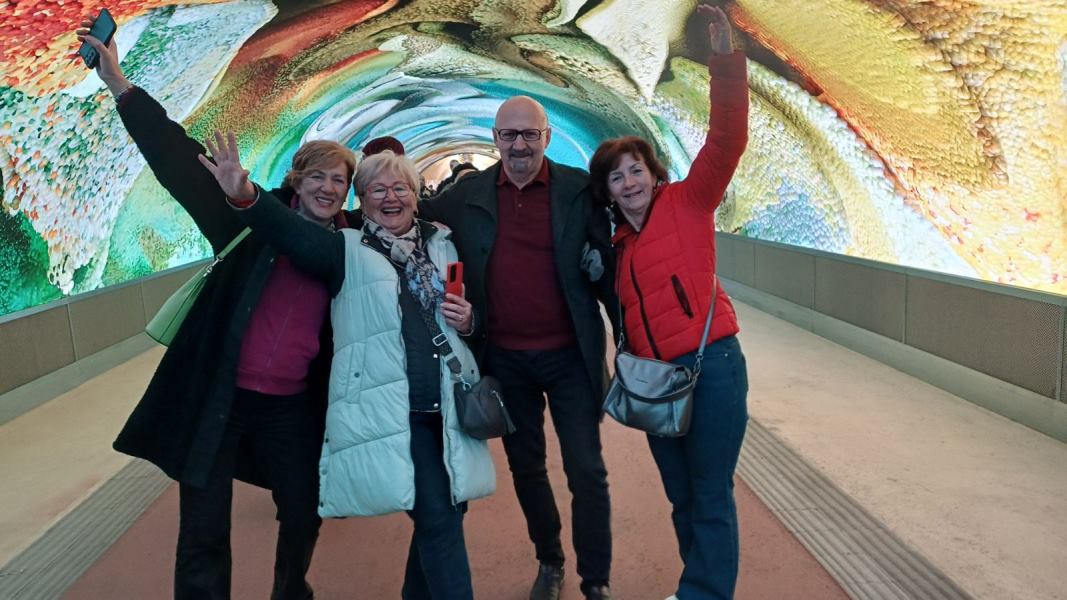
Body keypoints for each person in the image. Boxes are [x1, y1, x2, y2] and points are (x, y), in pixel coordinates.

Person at [77, 18, 357, 600]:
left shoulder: (350, 248)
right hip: (222, 397)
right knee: (203, 529)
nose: (329, 188)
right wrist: (119, 83)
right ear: (296, 179)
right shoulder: (244, 217)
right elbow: (176, 158)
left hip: (293, 408)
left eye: (340, 180)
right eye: (318, 176)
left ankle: (291, 591)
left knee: (304, 509)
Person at [200, 141, 496, 600]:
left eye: (400, 188)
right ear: (361, 199)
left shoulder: (442, 243)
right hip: (397, 408)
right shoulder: (346, 248)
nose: (390, 197)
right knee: (438, 515)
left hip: (449, 402)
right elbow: (292, 234)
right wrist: (247, 197)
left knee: (450, 510)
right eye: (377, 189)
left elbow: (477, 314)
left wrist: (470, 320)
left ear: (416, 194)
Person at [418, 96, 618, 599]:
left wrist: (631, 340)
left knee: (587, 469)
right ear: (495, 139)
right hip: (506, 361)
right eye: (509, 135)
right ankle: (550, 561)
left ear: (547, 137)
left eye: (530, 134)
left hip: (571, 356)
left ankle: (596, 580)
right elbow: (403, 212)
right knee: (526, 468)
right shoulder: (467, 196)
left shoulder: (579, 190)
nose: (520, 144)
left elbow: (612, 267)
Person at [587, 5, 749, 599]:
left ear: (654, 175)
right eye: (616, 177)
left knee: (709, 491)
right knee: (682, 497)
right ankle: (698, 585)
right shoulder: (617, 249)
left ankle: (702, 593)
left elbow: (727, 139)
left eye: (636, 171)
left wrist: (725, 62)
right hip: (656, 382)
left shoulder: (688, 202)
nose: (628, 183)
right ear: (607, 191)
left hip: (712, 367)